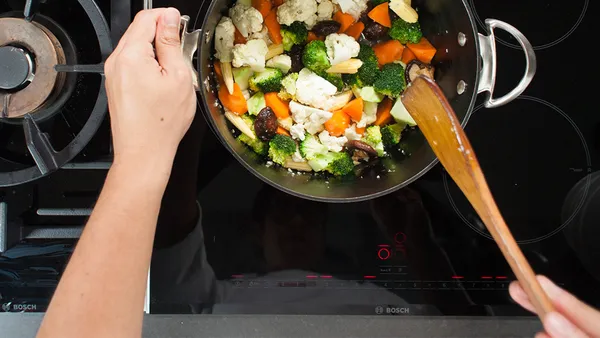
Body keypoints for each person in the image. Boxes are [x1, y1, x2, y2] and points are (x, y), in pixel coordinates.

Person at [35, 7, 600, 338]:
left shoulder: (209, 303)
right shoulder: (389, 307)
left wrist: (162, 142)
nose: (296, 223)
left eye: (286, 211)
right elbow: (454, 320)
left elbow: (178, 224)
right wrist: (421, 242)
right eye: (287, 211)